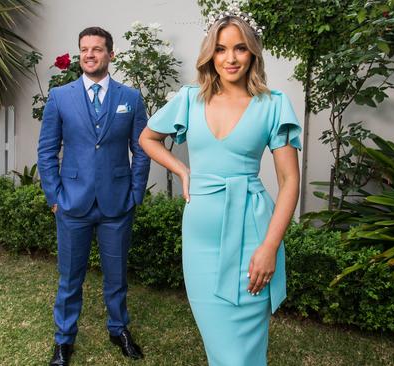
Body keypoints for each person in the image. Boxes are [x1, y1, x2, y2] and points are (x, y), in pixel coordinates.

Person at [138, 7, 301, 366]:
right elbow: (147, 138)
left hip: (252, 237)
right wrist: (182, 170)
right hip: (200, 243)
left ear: (253, 53)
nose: (230, 58)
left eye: (240, 48)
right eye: (221, 49)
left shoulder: (273, 105)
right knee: (219, 349)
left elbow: (290, 181)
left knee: (242, 354)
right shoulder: (189, 99)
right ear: (210, 53)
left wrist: (270, 247)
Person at [37, 26, 150, 366]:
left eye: (97, 49)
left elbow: (142, 149)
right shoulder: (60, 97)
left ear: (110, 54)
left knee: (116, 275)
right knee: (70, 277)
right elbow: (46, 151)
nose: (89, 54)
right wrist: (54, 196)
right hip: (72, 203)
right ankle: (63, 340)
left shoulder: (130, 98)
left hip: (118, 203)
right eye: (84, 49)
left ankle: (119, 329)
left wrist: (135, 194)